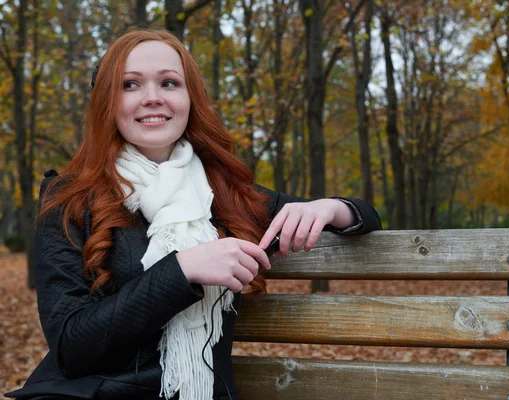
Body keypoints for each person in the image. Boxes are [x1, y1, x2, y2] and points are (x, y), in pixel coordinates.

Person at [6, 29, 381, 400]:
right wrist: (182, 270)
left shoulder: (226, 193)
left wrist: (331, 207)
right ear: (107, 101)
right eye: (130, 85)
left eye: (169, 83)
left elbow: (367, 218)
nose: (152, 98)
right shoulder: (68, 199)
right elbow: (71, 348)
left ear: (190, 99)